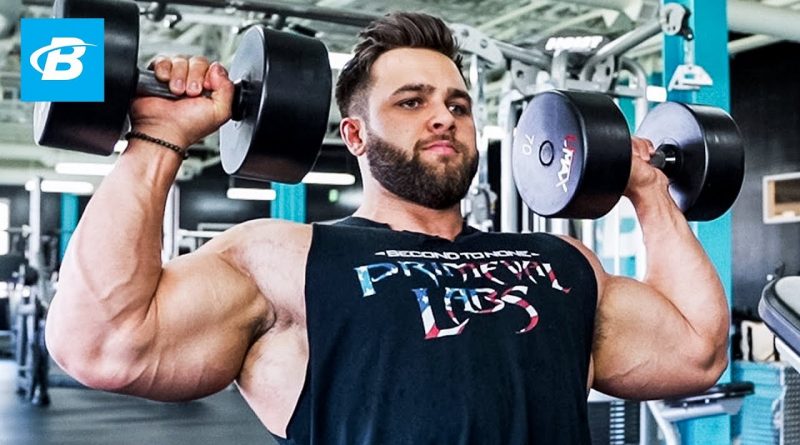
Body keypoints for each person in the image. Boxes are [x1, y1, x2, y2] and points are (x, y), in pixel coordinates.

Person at [44, 11, 729, 445]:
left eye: (458, 104)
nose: (444, 117)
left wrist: (649, 191)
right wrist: (158, 139)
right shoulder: (283, 258)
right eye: (411, 102)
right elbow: (101, 344)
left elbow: (697, 350)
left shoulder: (560, 259)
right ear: (355, 135)